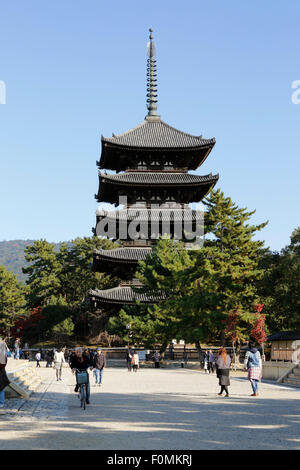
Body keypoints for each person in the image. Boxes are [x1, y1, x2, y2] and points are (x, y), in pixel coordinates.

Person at [0, 339, 10, 409]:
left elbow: (3, 364)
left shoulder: (2, 355)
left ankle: (1, 402)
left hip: (1, 373)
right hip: (1, 372)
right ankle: (1, 402)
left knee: (1, 388)